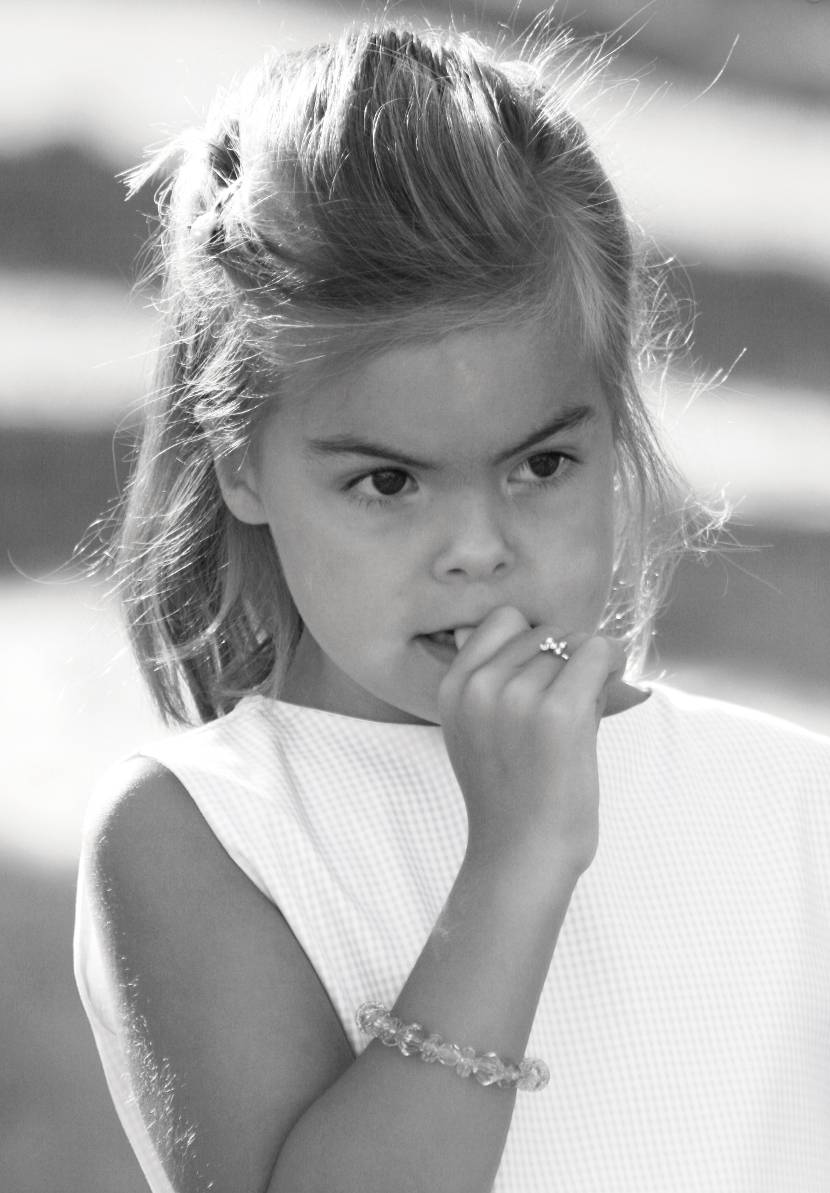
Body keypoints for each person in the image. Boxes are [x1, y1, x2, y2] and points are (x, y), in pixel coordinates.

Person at [73, 18, 830, 1193]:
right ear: (239, 463)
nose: (478, 550)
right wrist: (516, 863)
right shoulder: (203, 835)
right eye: (388, 482)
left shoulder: (789, 803)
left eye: (540, 464)